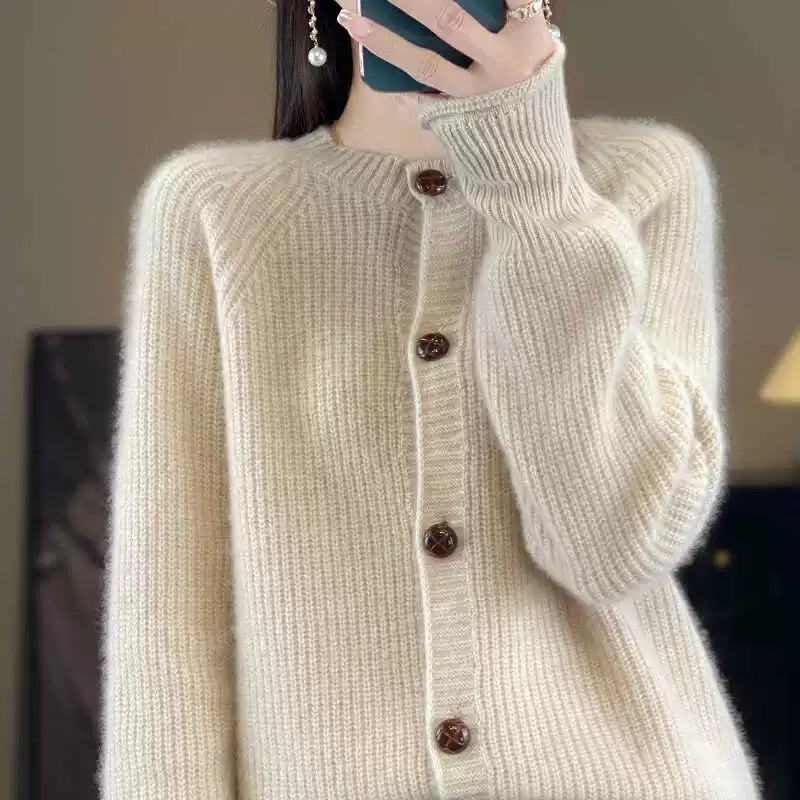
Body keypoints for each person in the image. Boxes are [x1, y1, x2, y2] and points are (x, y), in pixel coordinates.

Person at [99, 0, 763, 797]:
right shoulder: (215, 209)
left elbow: (612, 550)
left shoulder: (639, 179)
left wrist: (532, 178)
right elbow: (167, 613)